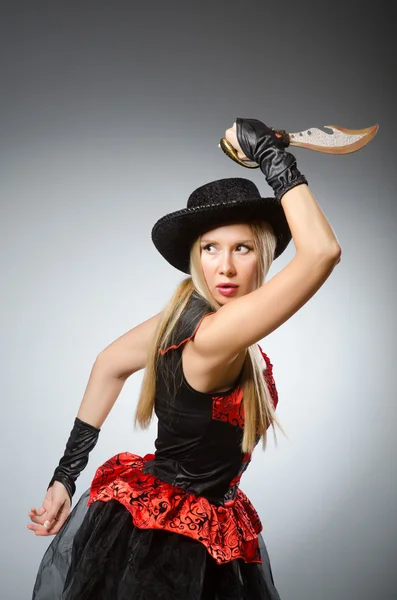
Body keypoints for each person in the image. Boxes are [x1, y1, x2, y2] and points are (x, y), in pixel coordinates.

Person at [27, 118, 341, 599]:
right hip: (175, 541)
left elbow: (109, 362)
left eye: (242, 248)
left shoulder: (183, 313)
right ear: (195, 256)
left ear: (266, 253)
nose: (226, 267)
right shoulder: (215, 333)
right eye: (210, 249)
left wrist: (65, 476)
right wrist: (271, 156)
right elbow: (322, 252)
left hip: (179, 522)